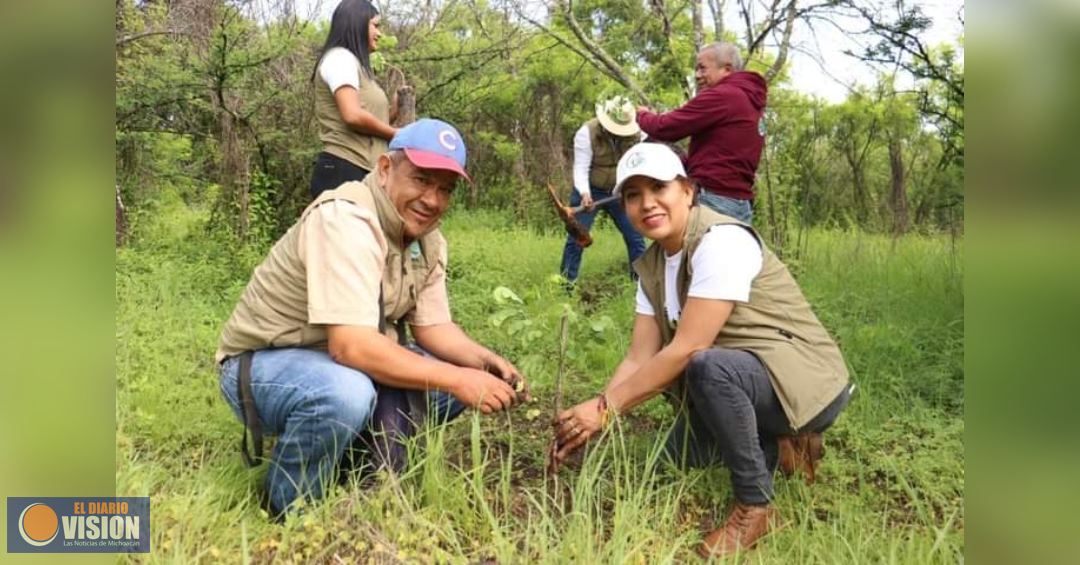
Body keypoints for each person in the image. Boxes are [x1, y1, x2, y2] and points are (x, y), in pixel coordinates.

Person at [551, 143, 852, 558]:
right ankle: (777, 442)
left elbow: (689, 348)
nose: (647, 203)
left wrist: (603, 408)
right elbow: (639, 357)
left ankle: (756, 505)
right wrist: (595, 424)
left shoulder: (721, 240)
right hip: (748, 379)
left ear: (688, 190)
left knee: (706, 366)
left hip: (803, 381)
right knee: (661, 461)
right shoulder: (652, 265)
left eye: (659, 187)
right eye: (633, 195)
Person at [216, 119, 526, 518]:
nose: (432, 199)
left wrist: (484, 363)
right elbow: (351, 346)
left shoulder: (426, 238)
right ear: (384, 169)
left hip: (337, 361)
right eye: (420, 180)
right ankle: (289, 508)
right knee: (344, 394)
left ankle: (359, 477)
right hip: (265, 366)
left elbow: (433, 327)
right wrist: (461, 378)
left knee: (448, 381)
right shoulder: (346, 218)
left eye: (444, 189)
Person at [636, 43, 767, 223]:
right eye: (696, 69)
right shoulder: (750, 100)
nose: (697, 75)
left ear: (727, 69)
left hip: (714, 200)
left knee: (699, 249)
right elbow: (723, 154)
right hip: (739, 202)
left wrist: (642, 115)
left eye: (703, 69)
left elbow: (665, 128)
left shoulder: (724, 95)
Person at [309, 0, 399, 199]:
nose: (380, 33)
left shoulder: (356, 66)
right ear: (357, 23)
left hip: (361, 171)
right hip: (343, 171)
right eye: (375, 25)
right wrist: (396, 134)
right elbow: (352, 116)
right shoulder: (340, 58)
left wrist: (393, 110)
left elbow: (370, 125)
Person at [560, 97, 647, 284]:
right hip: (591, 187)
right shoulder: (587, 133)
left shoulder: (639, 133)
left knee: (635, 237)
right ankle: (567, 284)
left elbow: (642, 160)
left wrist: (632, 186)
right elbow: (581, 168)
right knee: (577, 239)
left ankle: (640, 285)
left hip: (620, 188)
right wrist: (585, 194)